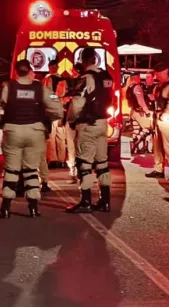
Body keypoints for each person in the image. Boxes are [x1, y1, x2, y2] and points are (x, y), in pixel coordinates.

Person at [0, 60, 63, 218]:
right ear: (30, 71)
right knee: (31, 170)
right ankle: (33, 208)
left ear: (16, 72)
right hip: (35, 131)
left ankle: (6, 208)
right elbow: (57, 109)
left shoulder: (7, 87)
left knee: (11, 170)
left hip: (13, 130)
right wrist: (46, 119)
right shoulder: (40, 87)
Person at [65, 48, 114, 213]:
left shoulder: (86, 78)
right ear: (96, 59)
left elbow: (77, 103)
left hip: (87, 124)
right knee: (102, 163)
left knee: (84, 163)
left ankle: (85, 201)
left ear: (84, 60)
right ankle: (105, 201)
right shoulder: (106, 77)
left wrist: (70, 120)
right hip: (103, 123)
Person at [146, 62, 169, 181]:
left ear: (164, 72)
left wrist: (165, 114)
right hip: (159, 118)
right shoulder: (159, 86)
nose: (156, 75)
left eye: (158, 73)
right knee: (158, 146)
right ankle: (159, 169)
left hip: (167, 120)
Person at [41, 60, 68, 191]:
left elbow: (48, 95)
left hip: (52, 110)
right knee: (60, 136)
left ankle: (52, 159)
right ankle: (62, 160)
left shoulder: (48, 79)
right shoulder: (63, 79)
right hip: (61, 109)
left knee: (51, 136)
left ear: (50, 67)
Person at [126, 74, 153, 147]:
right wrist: (147, 112)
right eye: (139, 78)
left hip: (133, 111)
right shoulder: (137, 87)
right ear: (135, 78)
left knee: (136, 130)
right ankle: (137, 141)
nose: (140, 80)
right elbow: (141, 101)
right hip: (140, 112)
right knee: (148, 128)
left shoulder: (129, 88)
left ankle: (135, 147)